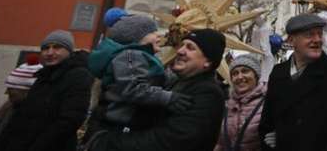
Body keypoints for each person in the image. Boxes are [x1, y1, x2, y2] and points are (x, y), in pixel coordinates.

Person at [88, 28, 228, 151]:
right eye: (182, 45)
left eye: (190, 48)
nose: (179, 51)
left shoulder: (208, 93)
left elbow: (169, 141)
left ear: (208, 62)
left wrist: (108, 142)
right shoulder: (174, 82)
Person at [259, 13, 327, 151]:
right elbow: (267, 123)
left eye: (319, 34)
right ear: (291, 40)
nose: (317, 40)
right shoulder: (278, 73)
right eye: (309, 35)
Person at [86, 12, 191, 138]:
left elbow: (157, 79)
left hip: (129, 126)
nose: (158, 35)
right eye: (152, 32)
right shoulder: (130, 56)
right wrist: (168, 97)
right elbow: (134, 88)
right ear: (136, 38)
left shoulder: (142, 57)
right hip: (117, 128)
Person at [0, 30, 93, 151]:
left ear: (69, 51)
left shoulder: (78, 76)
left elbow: (70, 120)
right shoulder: (43, 75)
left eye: (57, 47)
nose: (50, 52)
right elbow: (24, 114)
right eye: (45, 48)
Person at [214, 54, 268, 151]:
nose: (239, 77)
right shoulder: (227, 104)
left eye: (245, 71)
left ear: (256, 75)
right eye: (235, 73)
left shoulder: (269, 103)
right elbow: (220, 142)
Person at [0, 55, 43, 148]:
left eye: (11, 89)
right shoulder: (11, 105)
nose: (6, 93)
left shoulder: (36, 113)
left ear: (27, 91)